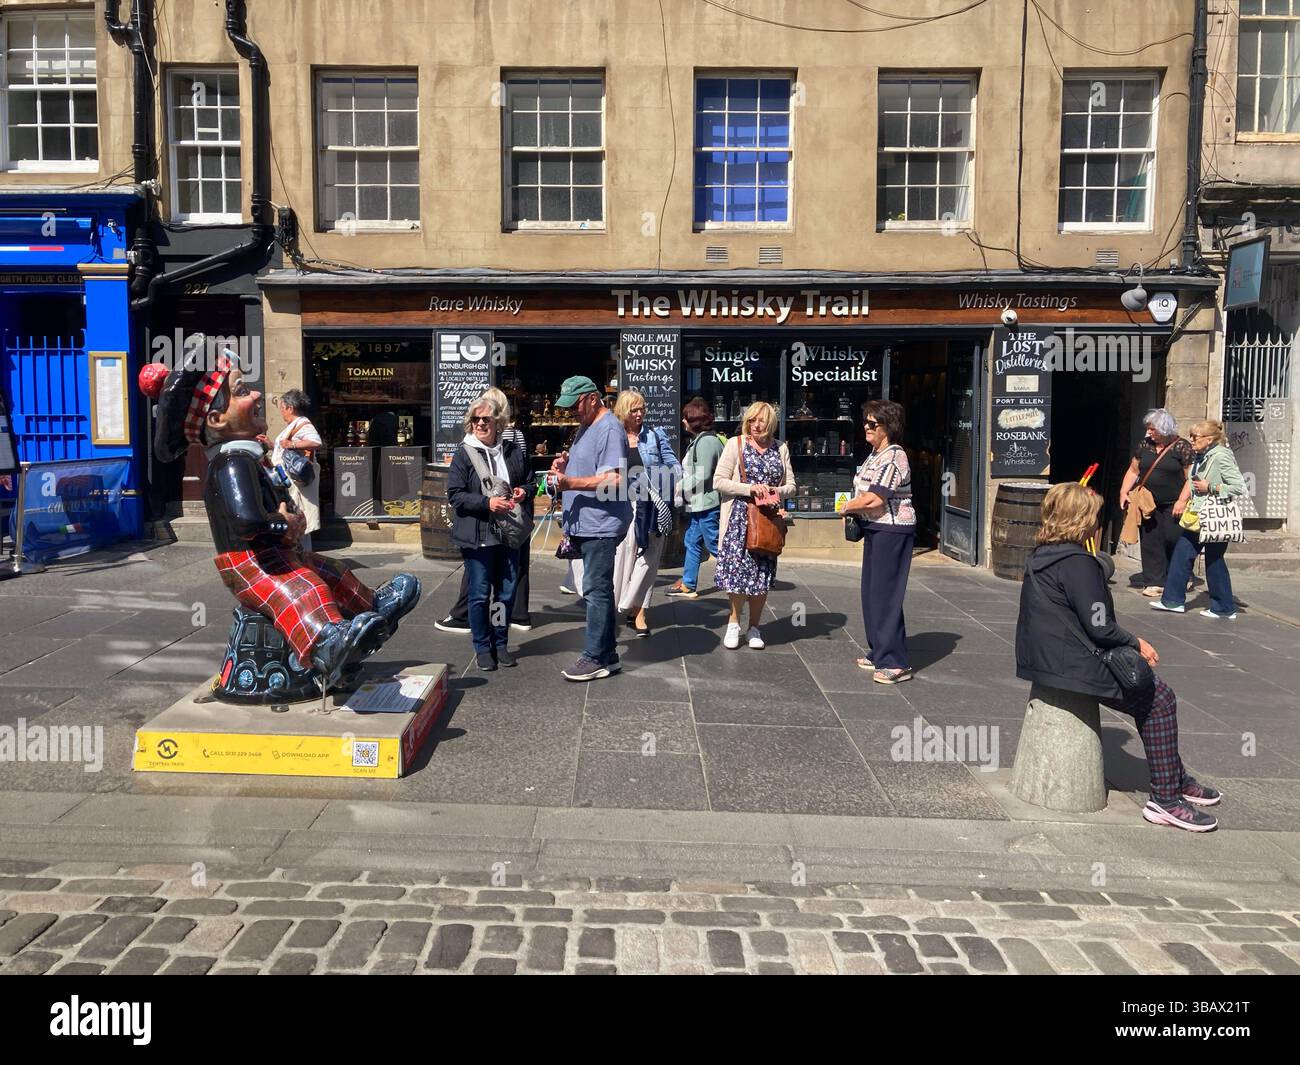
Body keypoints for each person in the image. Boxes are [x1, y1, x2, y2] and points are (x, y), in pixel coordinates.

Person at [137, 358, 420, 694]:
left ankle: (373, 608)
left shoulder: (249, 456)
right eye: (242, 391)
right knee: (302, 589)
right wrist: (279, 522)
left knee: (332, 572)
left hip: (274, 553)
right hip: (250, 563)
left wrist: (287, 521)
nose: (256, 395)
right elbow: (246, 520)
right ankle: (326, 642)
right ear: (216, 419)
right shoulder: (232, 464)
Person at [1017, 483, 1221, 831]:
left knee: (1151, 697)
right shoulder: (1078, 563)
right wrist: (1136, 641)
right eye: (1095, 516)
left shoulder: (1043, 555)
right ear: (1084, 521)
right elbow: (1100, 626)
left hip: (1043, 659)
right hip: (1073, 665)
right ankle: (1165, 800)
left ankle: (1175, 777)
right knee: (1160, 700)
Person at [546, 375, 630, 681]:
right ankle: (608, 655)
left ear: (593, 398)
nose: (572, 412)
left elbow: (615, 480)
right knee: (600, 589)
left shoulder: (608, 428)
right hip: (589, 522)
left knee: (595, 590)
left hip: (601, 524)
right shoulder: (589, 425)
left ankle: (594, 657)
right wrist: (566, 467)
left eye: (575, 406)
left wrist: (570, 482)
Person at [446, 394, 532, 671]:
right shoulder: (464, 453)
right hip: (478, 534)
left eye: (486, 419)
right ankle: (482, 647)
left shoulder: (511, 451)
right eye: (476, 419)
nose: (481, 424)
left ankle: (501, 643)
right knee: (480, 594)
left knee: (506, 594)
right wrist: (486, 503)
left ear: (499, 422)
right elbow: (455, 495)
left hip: (509, 534)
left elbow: (530, 482)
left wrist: (522, 492)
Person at [842, 400, 915, 684]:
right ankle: (879, 650)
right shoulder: (876, 453)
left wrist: (848, 507)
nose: (867, 428)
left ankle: (895, 661)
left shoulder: (895, 456)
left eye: (873, 424)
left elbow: (876, 497)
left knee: (886, 594)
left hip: (892, 530)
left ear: (889, 427)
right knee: (872, 593)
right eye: (866, 422)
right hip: (875, 527)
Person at [712, 401, 795, 650]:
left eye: (760, 421)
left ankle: (755, 627)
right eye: (751, 421)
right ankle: (734, 622)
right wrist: (749, 488)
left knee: (762, 575)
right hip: (739, 518)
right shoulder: (735, 444)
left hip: (767, 520)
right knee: (738, 574)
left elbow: (791, 485)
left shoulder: (781, 448)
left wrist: (774, 491)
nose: (755, 426)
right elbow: (719, 481)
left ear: (770, 423)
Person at [1152, 420, 1247, 620]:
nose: (1192, 441)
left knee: (1213, 560)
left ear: (1209, 439)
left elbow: (1239, 486)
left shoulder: (1221, 456)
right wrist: (1184, 499)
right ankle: (1173, 601)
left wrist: (1211, 487)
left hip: (1214, 516)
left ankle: (1223, 607)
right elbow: (1191, 481)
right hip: (1197, 516)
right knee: (1183, 555)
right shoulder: (1202, 455)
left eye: (1196, 437)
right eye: (1192, 436)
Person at [610, 390, 682, 636]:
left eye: (642, 409)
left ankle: (639, 612)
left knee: (649, 559)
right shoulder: (614, 436)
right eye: (634, 410)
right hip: (623, 505)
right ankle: (622, 603)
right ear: (623, 411)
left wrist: (664, 481)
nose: (639, 414)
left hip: (651, 505)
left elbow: (675, 466)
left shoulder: (655, 434)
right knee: (625, 556)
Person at [1119, 409, 1194, 597]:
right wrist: (1123, 491)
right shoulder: (1145, 445)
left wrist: (1183, 500)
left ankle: (1180, 576)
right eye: (1149, 429)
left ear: (1164, 428)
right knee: (1150, 540)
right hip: (1148, 502)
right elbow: (1133, 471)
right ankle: (1154, 581)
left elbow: (1190, 477)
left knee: (1173, 538)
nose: (1149, 432)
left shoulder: (1182, 447)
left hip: (1174, 503)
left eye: (1153, 429)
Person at [668, 397, 724, 600]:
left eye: (686, 418)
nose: (683, 421)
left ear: (694, 421)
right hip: (698, 503)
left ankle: (737, 574)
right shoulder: (702, 440)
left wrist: (679, 486)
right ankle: (688, 584)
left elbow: (703, 474)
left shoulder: (706, 442)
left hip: (707, 504)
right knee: (691, 541)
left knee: (715, 544)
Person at [260, 390, 322, 551]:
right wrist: (272, 445)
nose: (281, 412)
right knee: (296, 516)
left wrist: (292, 444)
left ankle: (304, 555)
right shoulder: (294, 425)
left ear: (290, 408)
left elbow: (316, 442)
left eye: (282, 408)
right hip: (290, 480)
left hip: (296, 482)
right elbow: (285, 452)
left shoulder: (303, 424)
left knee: (299, 516)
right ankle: (301, 554)